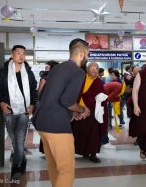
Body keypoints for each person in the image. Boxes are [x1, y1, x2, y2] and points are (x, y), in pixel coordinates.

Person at [33, 39, 90, 187]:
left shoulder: (57, 68)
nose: (88, 57)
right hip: (57, 127)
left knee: (54, 167)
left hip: (42, 123)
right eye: (88, 54)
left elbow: (43, 94)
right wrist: (83, 110)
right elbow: (68, 101)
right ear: (82, 53)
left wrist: (71, 112)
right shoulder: (78, 72)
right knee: (66, 170)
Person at [0, 45, 38, 180]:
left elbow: (34, 89)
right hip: (9, 111)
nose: (21, 56)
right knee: (14, 140)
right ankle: (22, 160)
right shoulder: (3, 72)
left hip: (24, 111)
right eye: (18, 53)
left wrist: (32, 105)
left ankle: (16, 169)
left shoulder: (28, 72)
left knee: (19, 140)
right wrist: (2, 102)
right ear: (12, 55)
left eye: (23, 53)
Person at [71, 62, 108, 163]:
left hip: (93, 113)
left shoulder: (99, 82)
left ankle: (93, 153)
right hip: (79, 110)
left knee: (94, 134)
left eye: (96, 68)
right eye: (92, 67)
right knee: (79, 132)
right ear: (87, 70)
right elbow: (74, 94)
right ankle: (83, 151)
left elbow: (103, 98)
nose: (94, 69)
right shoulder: (80, 80)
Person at [37, 60, 59, 154]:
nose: (45, 69)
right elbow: (39, 95)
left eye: (47, 67)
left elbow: (39, 94)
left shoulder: (45, 79)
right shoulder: (45, 79)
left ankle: (50, 150)